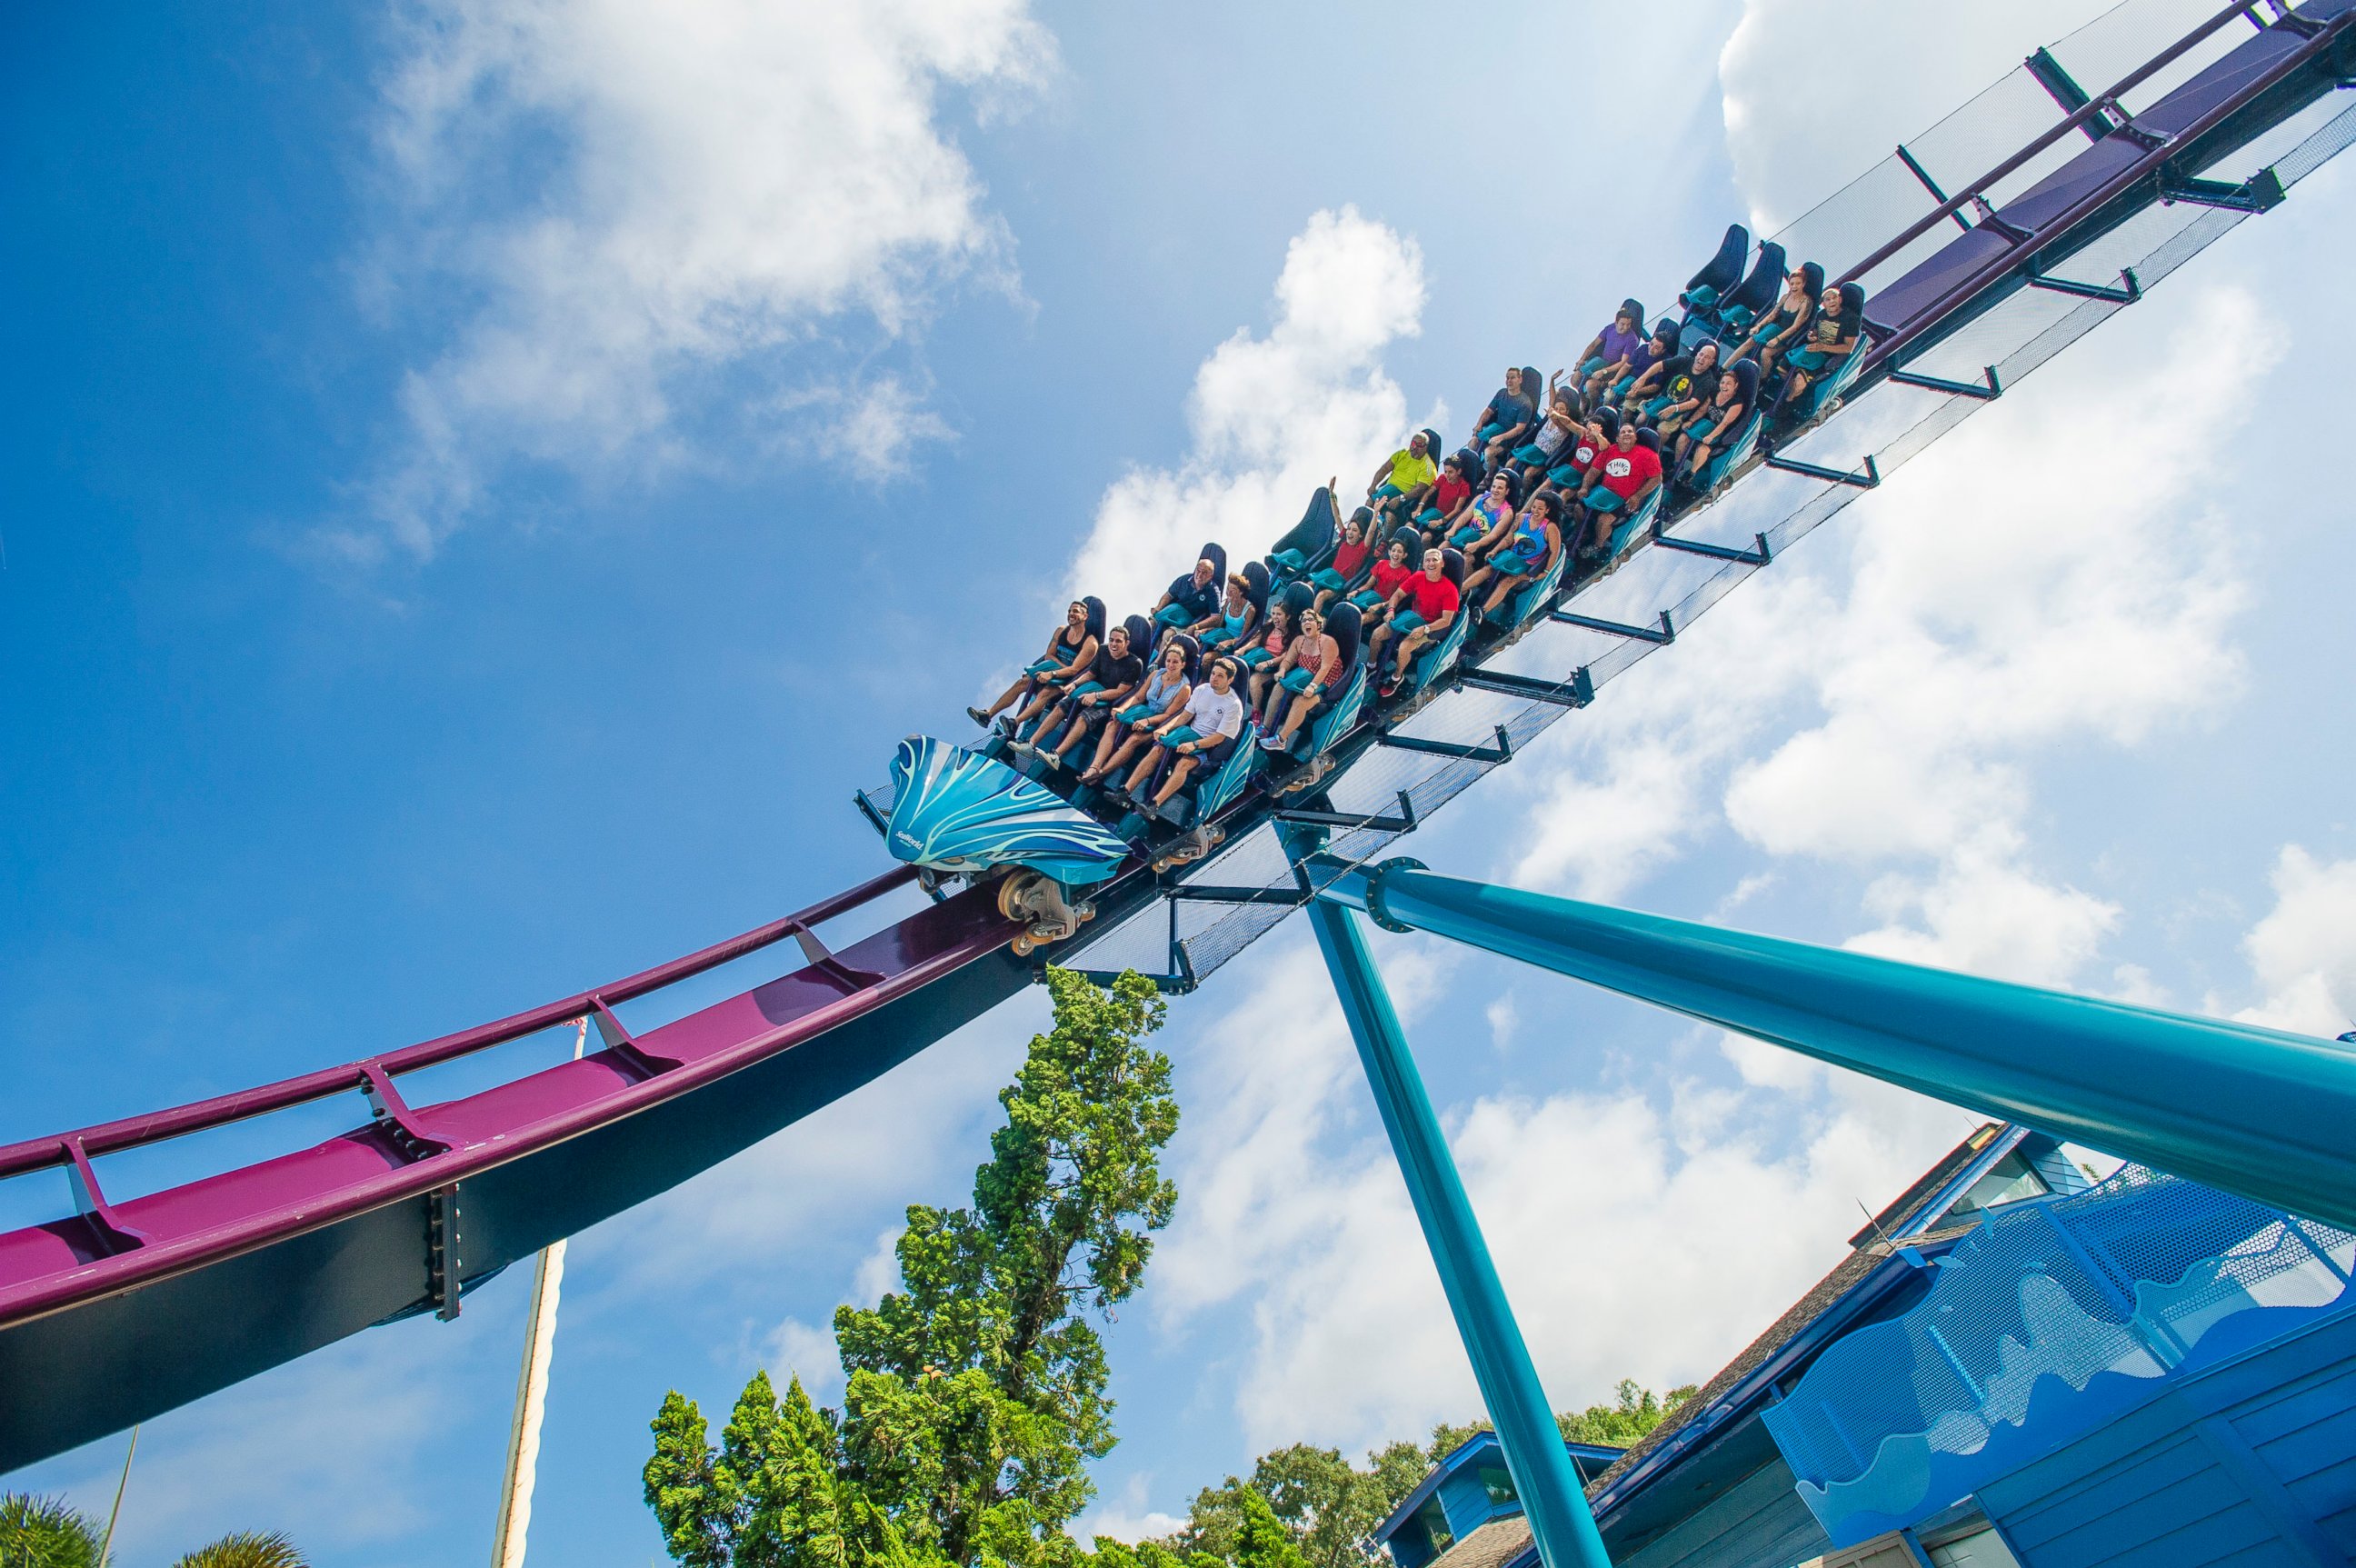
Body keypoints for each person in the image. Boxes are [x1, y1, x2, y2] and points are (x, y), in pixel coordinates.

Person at [1116, 656, 1246, 811]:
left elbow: (1220, 737)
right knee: (1157, 749)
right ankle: (1126, 791)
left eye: (1220, 676)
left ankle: (1154, 804)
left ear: (1230, 680)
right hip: (1187, 734)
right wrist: (1166, 729)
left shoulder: (1233, 705)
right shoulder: (1202, 689)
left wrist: (1194, 745)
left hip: (1207, 746)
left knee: (1184, 763)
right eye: (1213, 674)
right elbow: (1185, 715)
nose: (1214, 678)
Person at [1016, 621, 1144, 767]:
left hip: (1108, 702)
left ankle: (1056, 756)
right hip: (1090, 690)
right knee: (1061, 706)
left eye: (1118, 641)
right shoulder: (1103, 650)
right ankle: (1031, 744)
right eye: (1111, 640)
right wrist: (1074, 684)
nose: (1113, 644)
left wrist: (1096, 696)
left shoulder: (1135, 663)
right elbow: (1090, 674)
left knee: (1083, 718)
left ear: (1126, 643)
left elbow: (1121, 691)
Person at [969, 599, 1098, 729]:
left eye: (1075, 611)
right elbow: (1049, 655)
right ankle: (987, 715)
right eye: (1069, 611)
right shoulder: (1061, 631)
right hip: (1051, 671)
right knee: (1022, 683)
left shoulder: (1090, 643)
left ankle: (1015, 723)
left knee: (1045, 693)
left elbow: (1074, 671)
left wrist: (1053, 673)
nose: (1071, 614)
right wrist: (1052, 671)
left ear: (1085, 616)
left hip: (1068, 682)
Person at [1081, 635, 1192, 785]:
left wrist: (1147, 721)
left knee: (1134, 739)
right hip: (1143, 712)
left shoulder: (1184, 688)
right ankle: (1094, 767)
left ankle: (1100, 774)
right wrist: (1122, 708)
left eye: (1175, 662)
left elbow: (1168, 715)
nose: (1171, 665)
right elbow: (1139, 697)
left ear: (1183, 664)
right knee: (1112, 724)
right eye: (1168, 661)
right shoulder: (1156, 674)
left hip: (1158, 722)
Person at [1368, 547, 1461, 697]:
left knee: (1404, 647)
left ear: (1442, 564)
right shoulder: (1418, 577)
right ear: (1423, 564)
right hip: (1410, 618)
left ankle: (1396, 677)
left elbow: (1446, 620)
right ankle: (1371, 666)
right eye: (1428, 560)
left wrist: (1424, 629)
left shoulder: (1450, 590)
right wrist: (1391, 609)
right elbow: (1397, 595)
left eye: (1435, 560)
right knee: (1377, 634)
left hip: (1430, 627)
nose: (1431, 563)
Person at [1570, 419, 1663, 560]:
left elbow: (1656, 479)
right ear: (1617, 438)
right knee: (1578, 508)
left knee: (1604, 520)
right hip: (1603, 493)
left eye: (1630, 432)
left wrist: (1637, 496)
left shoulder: (1648, 455)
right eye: (1623, 432)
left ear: (1636, 437)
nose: (1626, 434)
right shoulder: (1610, 451)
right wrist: (1584, 488)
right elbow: (1593, 472)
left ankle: (1598, 544)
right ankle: (1584, 533)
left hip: (1624, 499)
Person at [1462, 494, 1562, 623]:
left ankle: (1482, 611)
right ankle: (1460, 591)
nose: (1535, 511)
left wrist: (1546, 572)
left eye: (1540, 509)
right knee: (1489, 569)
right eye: (1534, 507)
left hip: (1527, 566)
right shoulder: (1521, 518)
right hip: (1510, 558)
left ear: (1547, 510)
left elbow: (1554, 552)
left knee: (1507, 581)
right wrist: (1495, 550)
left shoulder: (1550, 528)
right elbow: (1509, 538)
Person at [1258, 606, 1343, 752]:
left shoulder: (1328, 642)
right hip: (1303, 676)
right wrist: (1282, 670)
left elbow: (1325, 668)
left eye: (1310, 620)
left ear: (1319, 624)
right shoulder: (1299, 641)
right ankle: (1266, 727)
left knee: (1301, 701)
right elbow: (1288, 660)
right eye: (1303, 621)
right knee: (1279, 687)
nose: (1306, 623)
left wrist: (1313, 686)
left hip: (1325, 683)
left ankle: (1281, 739)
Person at [1674, 358, 1760, 484]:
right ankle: (1677, 466)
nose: (1724, 386)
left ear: (1735, 386)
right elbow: (1703, 409)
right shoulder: (1715, 392)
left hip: (1720, 431)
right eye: (1722, 383)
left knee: (1703, 449)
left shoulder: (1737, 403)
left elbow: (1725, 423)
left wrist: (1711, 436)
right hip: (1705, 424)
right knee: (1682, 438)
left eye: (1728, 384)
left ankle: (1691, 474)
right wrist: (1691, 421)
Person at [1781, 281, 1865, 405]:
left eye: (1834, 298)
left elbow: (1848, 348)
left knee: (1799, 382)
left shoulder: (1851, 320)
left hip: (1825, 358)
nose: (1831, 302)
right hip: (1809, 350)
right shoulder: (1821, 314)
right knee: (1781, 367)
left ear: (1840, 299)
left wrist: (1823, 347)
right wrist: (1812, 336)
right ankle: (1785, 390)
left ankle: (1787, 403)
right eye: (1828, 299)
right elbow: (1813, 331)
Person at [1736, 261, 1823, 378]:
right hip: (1776, 330)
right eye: (1792, 284)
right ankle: (1725, 368)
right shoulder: (1786, 298)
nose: (1794, 287)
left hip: (1789, 338)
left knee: (1765, 353)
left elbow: (1796, 326)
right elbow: (1773, 315)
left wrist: (1777, 339)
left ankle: (1762, 378)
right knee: (1750, 341)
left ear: (1803, 284)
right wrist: (1759, 326)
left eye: (1798, 283)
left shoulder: (1806, 302)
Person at [1506, 379, 1582, 485]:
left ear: (1567, 411)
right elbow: (1552, 398)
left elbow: (1559, 422)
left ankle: (1523, 494)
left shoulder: (1566, 425)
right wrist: (1552, 380)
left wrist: (1555, 415)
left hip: (1544, 456)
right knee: (1510, 463)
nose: (1558, 411)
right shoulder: (1550, 416)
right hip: (1533, 449)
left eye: (1562, 409)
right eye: (1556, 408)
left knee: (1528, 474)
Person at [1574, 300, 1648, 405]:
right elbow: (1594, 344)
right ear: (1616, 322)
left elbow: (1623, 363)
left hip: (1614, 370)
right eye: (1622, 324)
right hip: (1602, 362)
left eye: (1629, 325)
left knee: (1590, 385)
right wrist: (1581, 359)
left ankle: (1593, 407)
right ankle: (1584, 401)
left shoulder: (1632, 339)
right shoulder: (1610, 328)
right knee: (1576, 377)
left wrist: (1604, 371)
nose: (1626, 327)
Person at [1366, 430, 1439, 523]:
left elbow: (1419, 490)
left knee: (1388, 514)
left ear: (1425, 447)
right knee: (1370, 501)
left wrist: (1401, 498)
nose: (1415, 447)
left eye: (1419, 445)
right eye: (1413, 443)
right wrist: (1373, 485)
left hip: (1406, 494)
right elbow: (1384, 469)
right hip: (1389, 487)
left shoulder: (1428, 467)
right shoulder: (1402, 453)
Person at [1470, 367, 1538, 465]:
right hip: (1497, 428)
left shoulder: (1525, 403)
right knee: (1473, 442)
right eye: (1507, 378)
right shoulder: (1502, 393)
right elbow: (1489, 411)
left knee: (1488, 453)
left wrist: (1500, 438)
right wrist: (1479, 424)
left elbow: (1519, 429)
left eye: (1513, 378)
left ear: (1520, 380)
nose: (1509, 381)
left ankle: (1489, 474)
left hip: (1510, 438)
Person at [1310, 511, 1374, 613]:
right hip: (1328, 577)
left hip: (1339, 585)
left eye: (1354, 530)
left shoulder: (1362, 548)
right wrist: (1331, 495)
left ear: (1361, 535)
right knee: (1308, 585)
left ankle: (1312, 621)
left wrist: (1376, 514)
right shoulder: (1344, 540)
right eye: (1349, 529)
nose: (1350, 532)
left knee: (1321, 595)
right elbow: (1337, 516)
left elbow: (1371, 532)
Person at [1348, 535, 1417, 628]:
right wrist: (1356, 591)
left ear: (1404, 555)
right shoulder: (1381, 563)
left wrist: (1380, 605)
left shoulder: (1406, 573)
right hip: (1371, 598)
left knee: (1361, 619)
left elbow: (1397, 597)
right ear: (1389, 552)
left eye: (1399, 552)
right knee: (1348, 611)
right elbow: (1368, 585)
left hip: (1384, 606)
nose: (1395, 554)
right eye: (1393, 551)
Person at [1453, 469, 1521, 564]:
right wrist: (1453, 530)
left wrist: (1476, 545)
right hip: (1467, 535)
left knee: (1466, 559)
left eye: (1500, 488)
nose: (1495, 490)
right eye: (1494, 486)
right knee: (1443, 546)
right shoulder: (1480, 498)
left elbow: (1493, 535)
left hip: (1482, 544)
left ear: (1507, 491)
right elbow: (1464, 516)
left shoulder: (1507, 513)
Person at [1411, 453, 1476, 539]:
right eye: (1445, 472)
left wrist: (1440, 521)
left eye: (1451, 472)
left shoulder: (1464, 486)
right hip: (1433, 513)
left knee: (1425, 537)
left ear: (1459, 471)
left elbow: (1457, 509)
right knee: (1410, 525)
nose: (1447, 475)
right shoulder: (1442, 478)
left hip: (1445, 519)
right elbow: (1428, 492)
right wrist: (1419, 507)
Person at [1153, 557, 1222, 631]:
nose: (1200, 575)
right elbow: (1168, 595)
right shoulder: (1184, 579)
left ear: (1210, 576)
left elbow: (1216, 617)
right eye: (1198, 571)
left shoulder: (1213, 591)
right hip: (1173, 610)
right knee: (1152, 622)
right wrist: (1159, 608)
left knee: (1168, 634)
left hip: (1188, 620)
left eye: (1204, 573)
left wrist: (1196, 626)